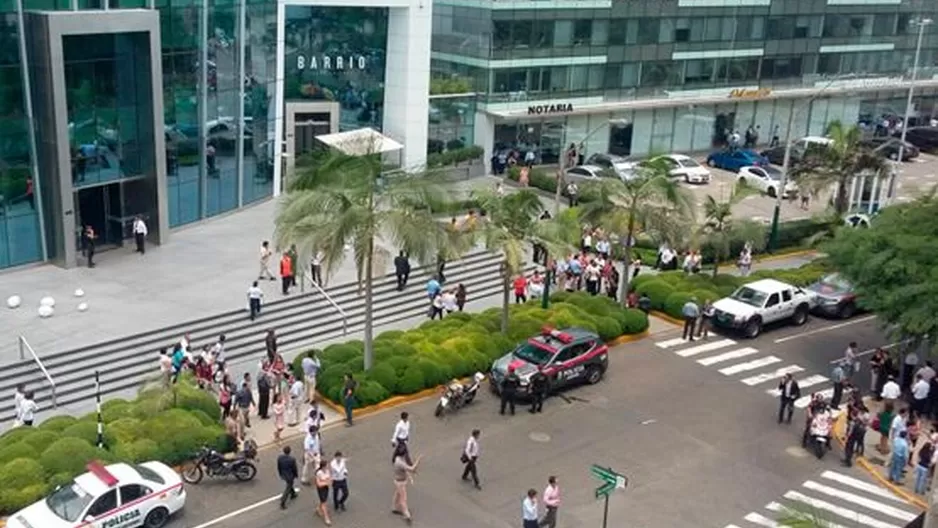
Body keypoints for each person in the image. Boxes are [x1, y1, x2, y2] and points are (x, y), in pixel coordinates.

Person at [392, 442, 421, 524]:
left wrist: (409, 477)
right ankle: (407, 515)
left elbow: (404, 470)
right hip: (400, 482)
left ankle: (394, 507)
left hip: (398, 481)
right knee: (403, 498)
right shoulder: (400, 462)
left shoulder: (398, 459)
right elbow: (412, 469)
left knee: (397, 494)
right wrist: (418, 461)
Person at [277, 445, 299, 510]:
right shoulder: (292, 459)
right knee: (288, 488)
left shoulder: (280, 458)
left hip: (284, 474)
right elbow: (294, 468)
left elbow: (279, 467)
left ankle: (293, 494)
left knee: (289, 484)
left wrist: (280, 474)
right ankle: (282, 502)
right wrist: (296, 475)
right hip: (290, 475)